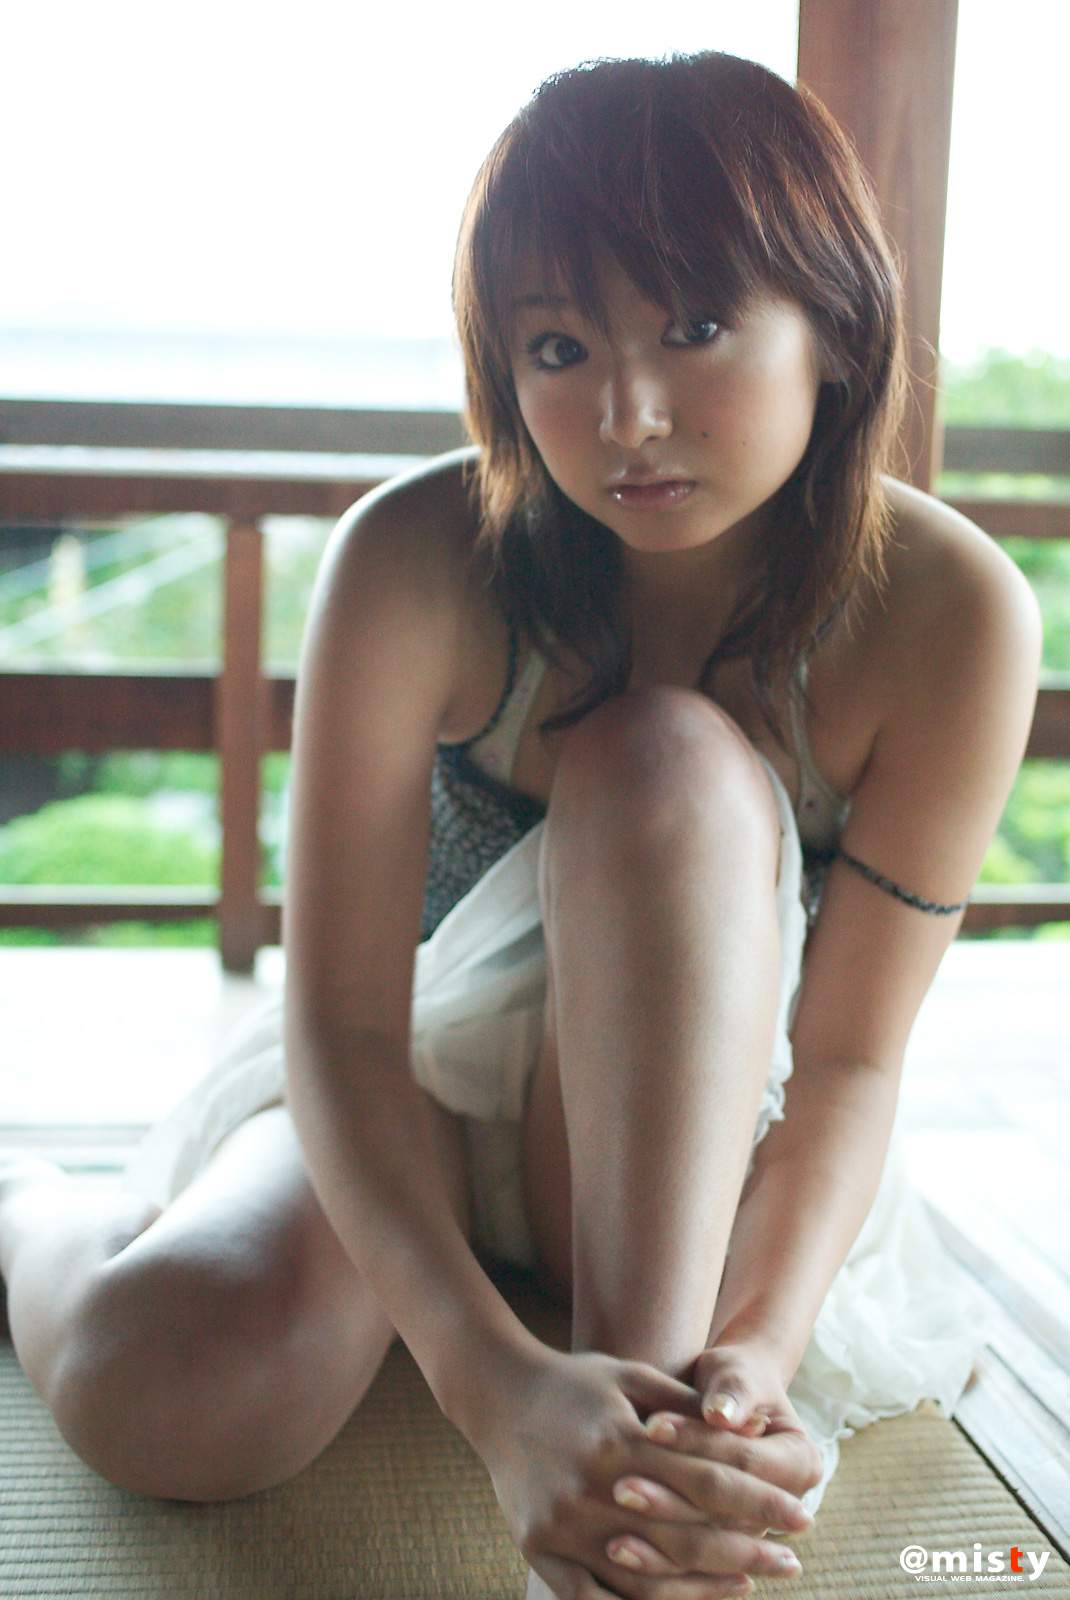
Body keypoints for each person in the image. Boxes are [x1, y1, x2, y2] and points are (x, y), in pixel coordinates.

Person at [0, 48, 1041, 1600]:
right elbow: (347, 1030)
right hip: (412, 1086)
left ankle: (633, 1464)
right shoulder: (414, 561)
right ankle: (22, 1211)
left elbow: (845, 1064)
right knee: (179, 1389)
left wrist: (749, 1363)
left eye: (693, 329)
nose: (626, 414)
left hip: (709, 1139)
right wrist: (487, 1388)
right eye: (558, 347)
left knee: (667, 768)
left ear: (833, 323)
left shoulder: (946, 612)